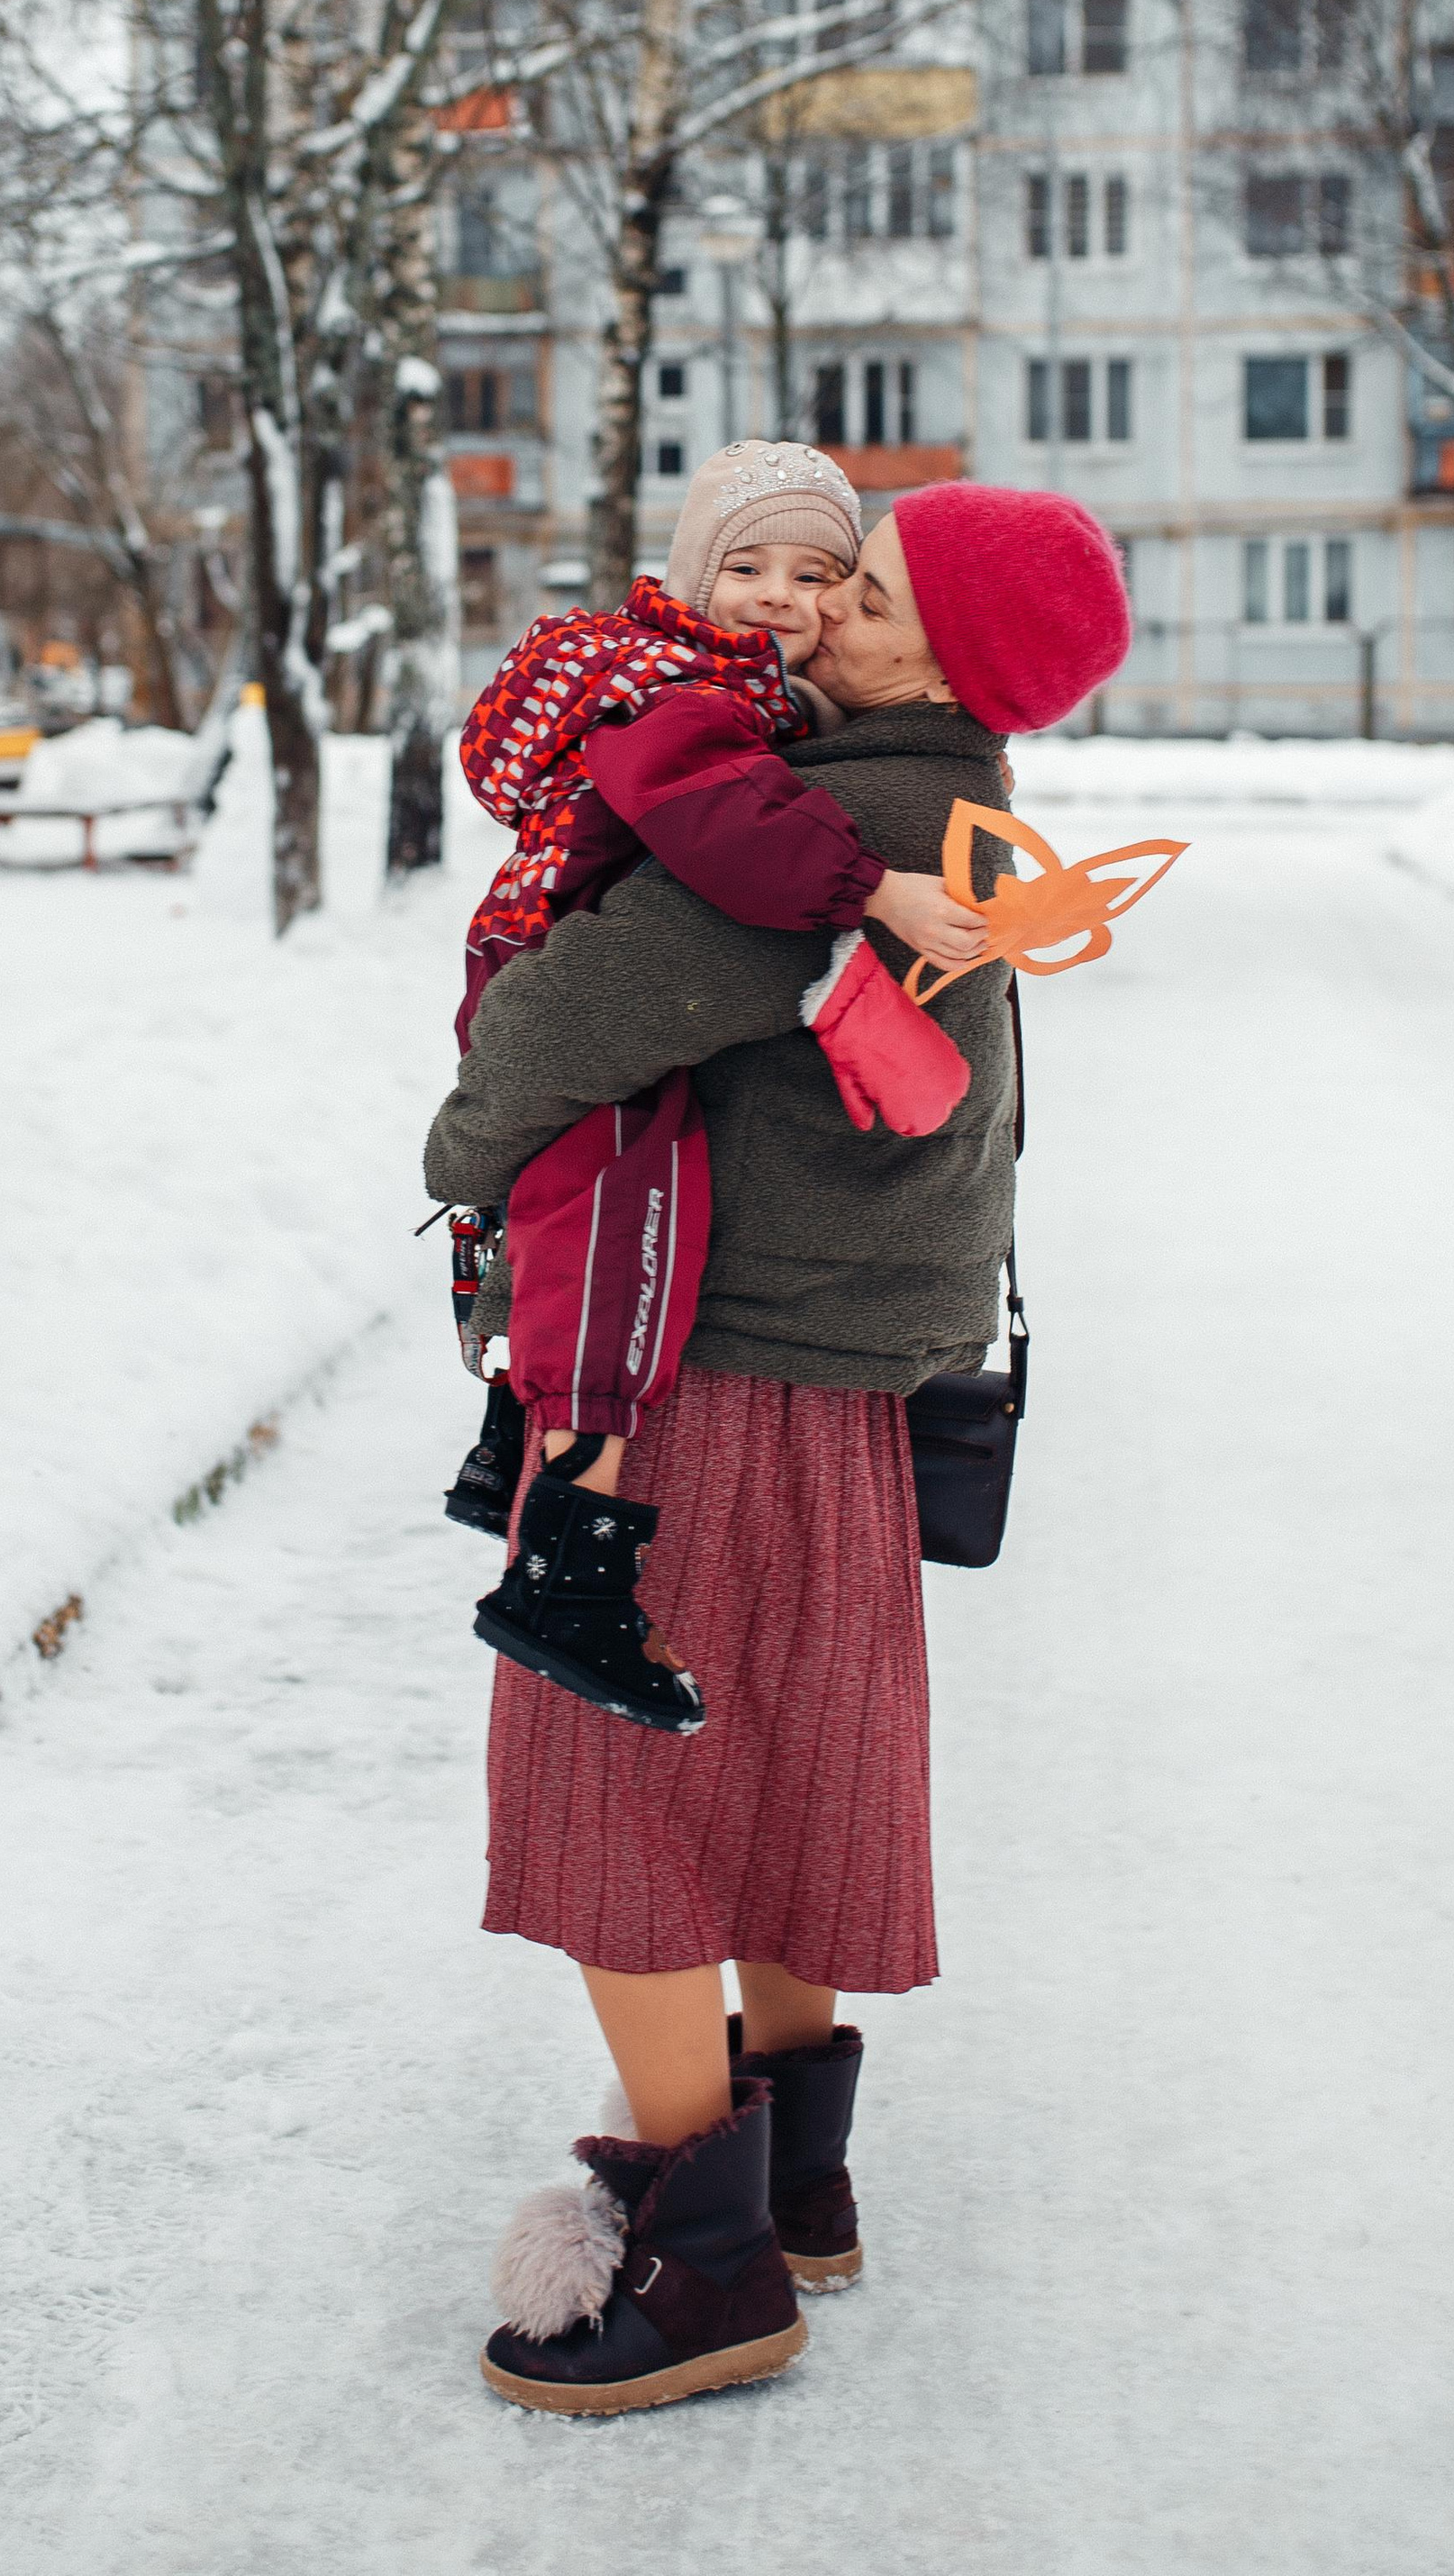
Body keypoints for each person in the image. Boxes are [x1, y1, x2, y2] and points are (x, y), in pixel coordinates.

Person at [423, 481, 1131, 2419]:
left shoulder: (839, 824)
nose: (813, 609)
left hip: (697, 1380)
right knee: (784, 1753)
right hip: (835, 1387)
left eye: (863, 590)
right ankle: (794, 2171)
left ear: (933, 654)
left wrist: (456, 1157)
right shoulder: (963, 811)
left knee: (612, 1782)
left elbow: (582, 1010)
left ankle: (700, 2257)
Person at [446, 444, 990, 1736]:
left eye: (820, 575)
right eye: (744, 566)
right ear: (690, 577)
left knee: (593, 1228)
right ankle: (564, 1568)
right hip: (542, 958)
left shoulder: (762, 702)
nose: (779, 595)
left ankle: (503, 1452)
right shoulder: (674, 694)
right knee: (616, 1234)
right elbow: (714, 819)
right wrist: (874, 887)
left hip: (577, 960)